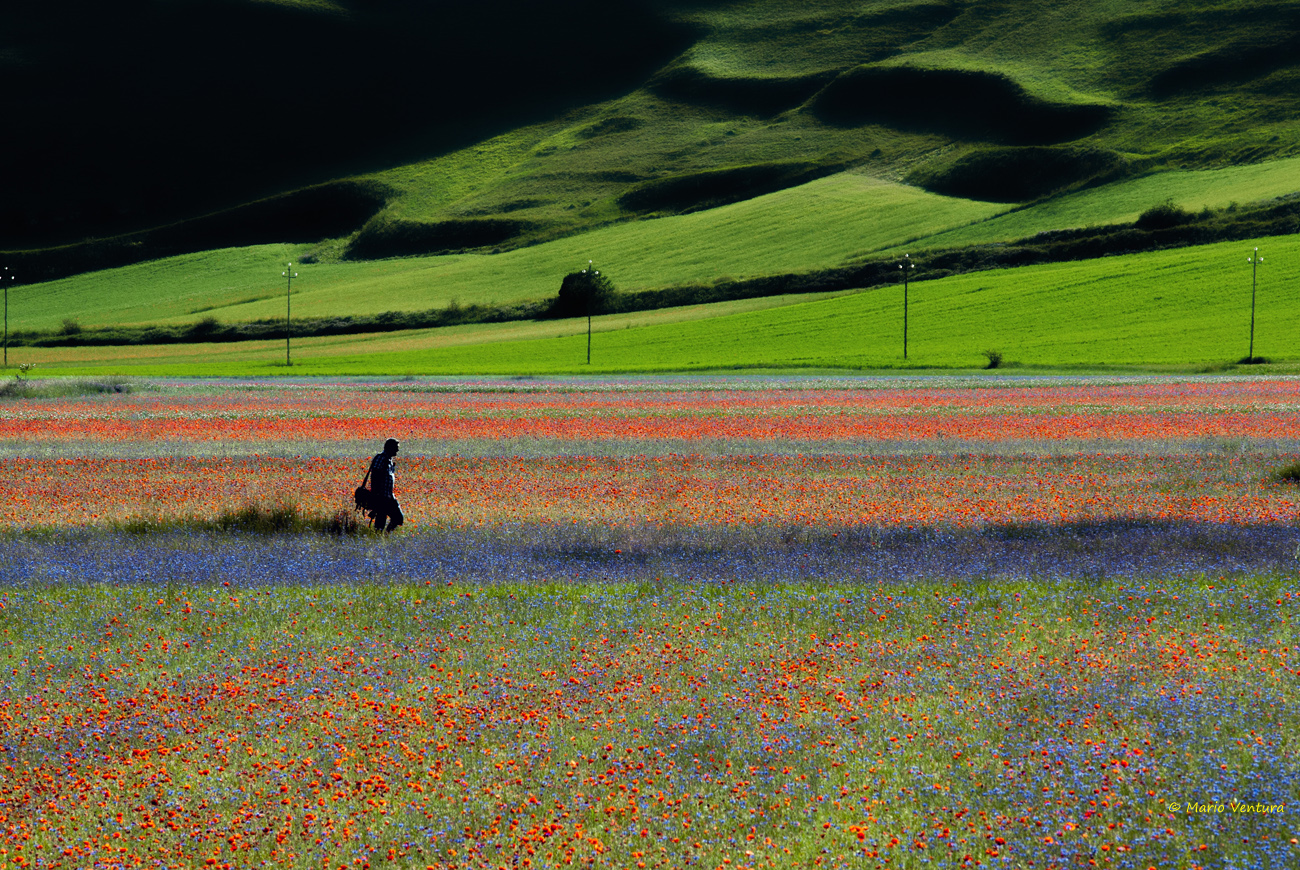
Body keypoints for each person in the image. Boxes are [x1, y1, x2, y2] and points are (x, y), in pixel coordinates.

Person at [368, 438, 404, 532]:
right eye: (396, 448)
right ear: (389, 448)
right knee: (381, 520)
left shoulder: (389, 460)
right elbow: (375, 477)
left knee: (398, 518)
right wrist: (376, 495)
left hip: (389, 496)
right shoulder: (381, 458)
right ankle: (379, 539)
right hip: (381, 496)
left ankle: (386, 536)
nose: (397, 450)